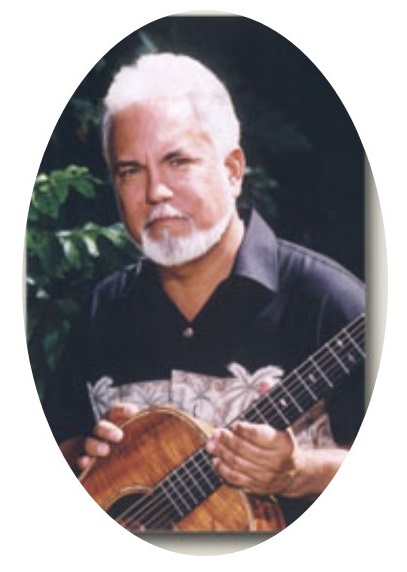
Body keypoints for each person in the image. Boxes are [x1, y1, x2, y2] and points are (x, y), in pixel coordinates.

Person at [43, 52, 365, 528]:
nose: (156, 192)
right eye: (130, 170)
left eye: (178, 161)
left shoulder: (331, 302)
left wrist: (299, 472)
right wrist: (89, 458)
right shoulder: (103, 310)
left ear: (233, 170)